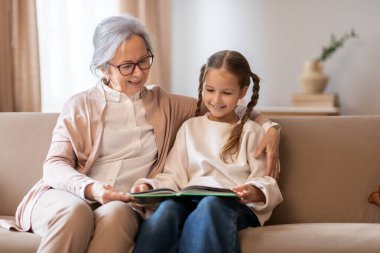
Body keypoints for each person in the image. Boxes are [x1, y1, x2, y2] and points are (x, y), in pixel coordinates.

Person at [0, 15, 280, 253]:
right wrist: (91, 188)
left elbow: (227, 106)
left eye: (144, 61)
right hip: (69, 193)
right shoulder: (80, 105)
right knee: (76, 213)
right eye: (126, 66)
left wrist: (269, 127)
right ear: (102, 68)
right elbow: (54, 165)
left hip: (122, 200)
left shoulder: (166, 104)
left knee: (118, 214)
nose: (138, 73)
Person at [132, 50, 283, 253]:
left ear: (242, 92)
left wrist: (254, 191)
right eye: (210, 90)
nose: (216, 99)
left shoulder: (252, 131)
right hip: (190, 201)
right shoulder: (190, 128)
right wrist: (149, 186)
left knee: (210, 206)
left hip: (232, 207)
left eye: (226, 93)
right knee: (167, 210)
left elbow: (268, 182)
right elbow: (173, 175)